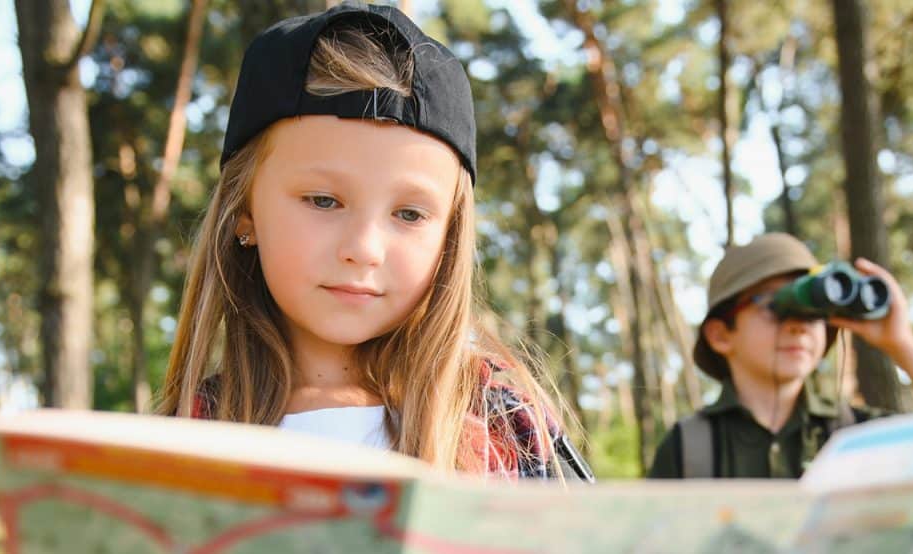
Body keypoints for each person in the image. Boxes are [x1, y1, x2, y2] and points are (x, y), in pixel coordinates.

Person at [155, 2, 590, 482]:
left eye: (408, 213)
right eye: (323, 201)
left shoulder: (507, 433)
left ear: (450, 233)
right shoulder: (175, 444)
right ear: (245, 213)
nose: (364, 248)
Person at [647, 233, 913, 479]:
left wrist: (902, 344)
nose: (799, 327)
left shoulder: (860, 436)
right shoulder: (689, 446)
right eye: (777, 306)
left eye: (812, 312)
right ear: (720, 334)